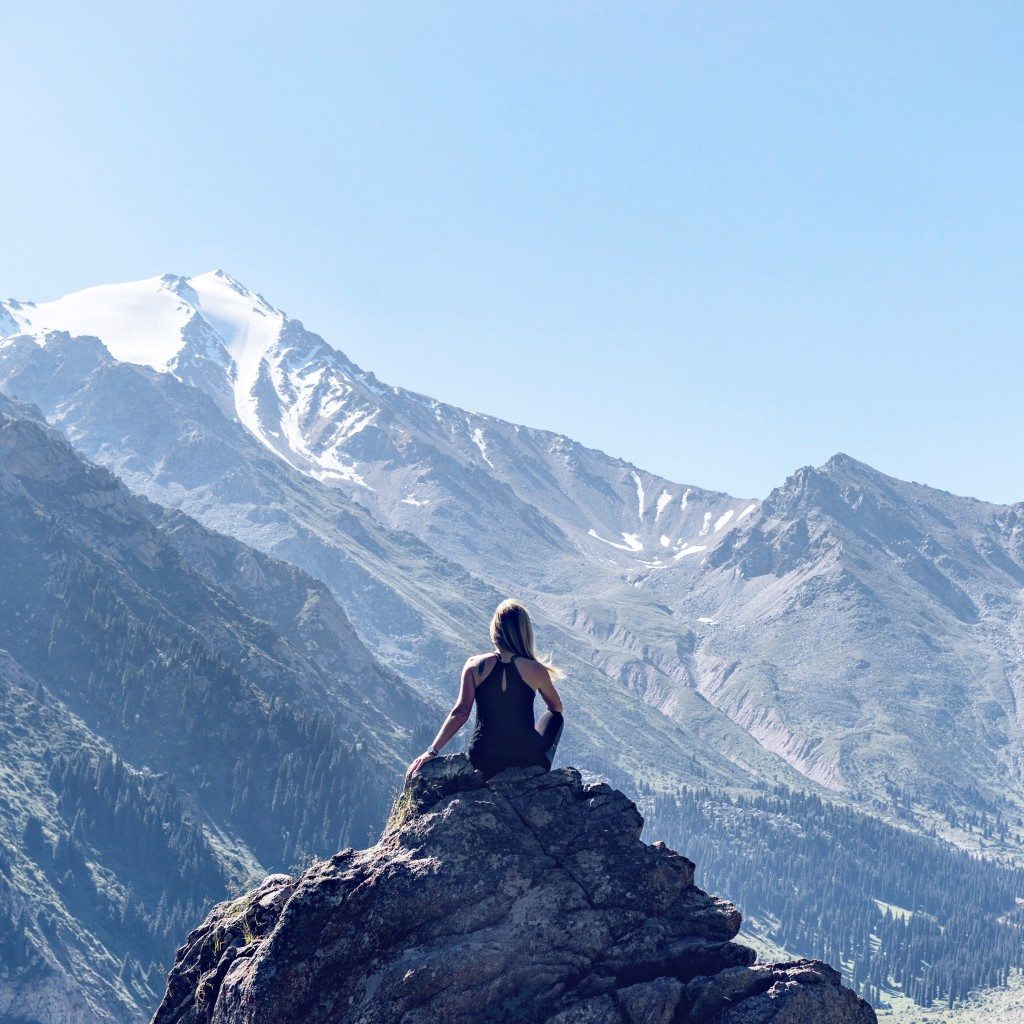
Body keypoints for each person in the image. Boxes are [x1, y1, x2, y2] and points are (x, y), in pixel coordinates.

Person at [405, 599, 565, 782]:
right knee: (555, 716)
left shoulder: (474, 665)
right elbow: (556, 707)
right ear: (524, 633)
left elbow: (461, 712)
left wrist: (432, 751)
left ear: (495, 629)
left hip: (483, 760)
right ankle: (539, 770)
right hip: (525, 758)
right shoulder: (536, 670)